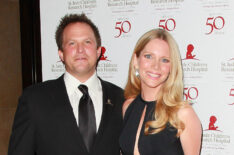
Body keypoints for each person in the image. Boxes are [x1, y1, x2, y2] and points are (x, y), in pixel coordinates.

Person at [8, 13, 124, 155]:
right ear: (61, 54)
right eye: (72, 43)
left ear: (98, 51)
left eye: (87, 42)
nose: (80, 49)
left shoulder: (121, 98)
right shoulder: (34, 99)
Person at [119, 29, 202, 155]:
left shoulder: (183, 114)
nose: (155, 66)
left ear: (172, 67)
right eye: (148, 56)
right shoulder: (128, 107)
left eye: (164, 60)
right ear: (136, 61)